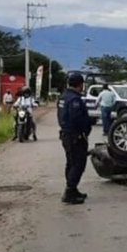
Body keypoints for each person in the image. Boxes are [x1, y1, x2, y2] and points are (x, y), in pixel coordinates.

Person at [57, 73, 92, 204]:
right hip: (75, 136)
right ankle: (69, 192)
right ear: (80, 84)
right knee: (78, 164)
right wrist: (86, 126)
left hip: (66, 135)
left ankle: (73, 189)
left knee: (71, 163)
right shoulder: (74, 99)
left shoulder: (64, 97)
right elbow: (76, 119)